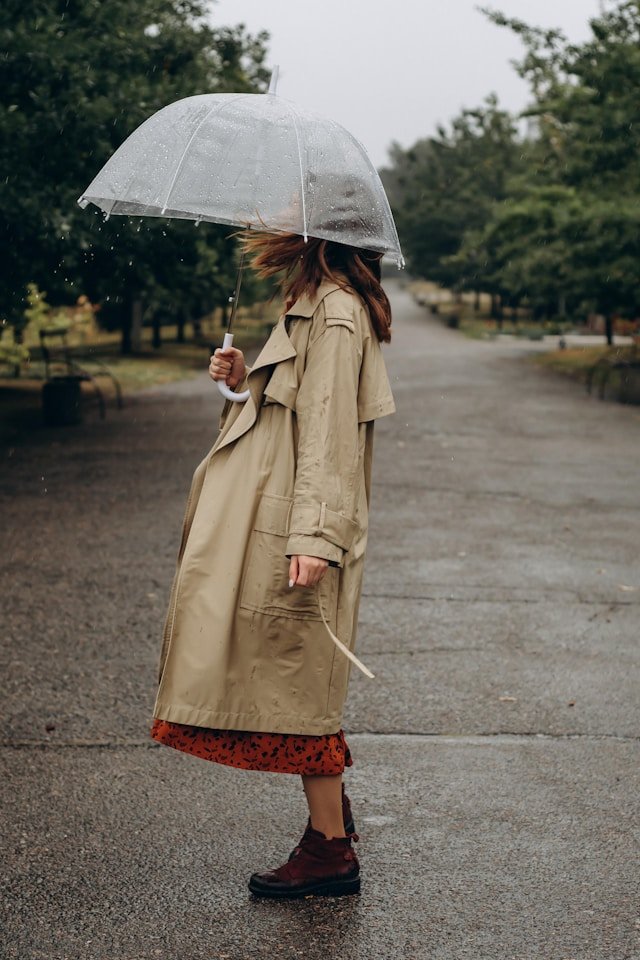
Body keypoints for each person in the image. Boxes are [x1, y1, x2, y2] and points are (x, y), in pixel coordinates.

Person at [150, 230, 396, 898]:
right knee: (295, 674)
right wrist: (240, 384)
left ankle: (330, 849)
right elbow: (286, 412)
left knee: (299, 681)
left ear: (318, 228)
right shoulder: (312, 301)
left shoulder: (336, 312)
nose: (267, 223)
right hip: (276, 514)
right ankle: (330, 826)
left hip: (293, 522)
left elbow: (329, 435)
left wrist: (314, 536)